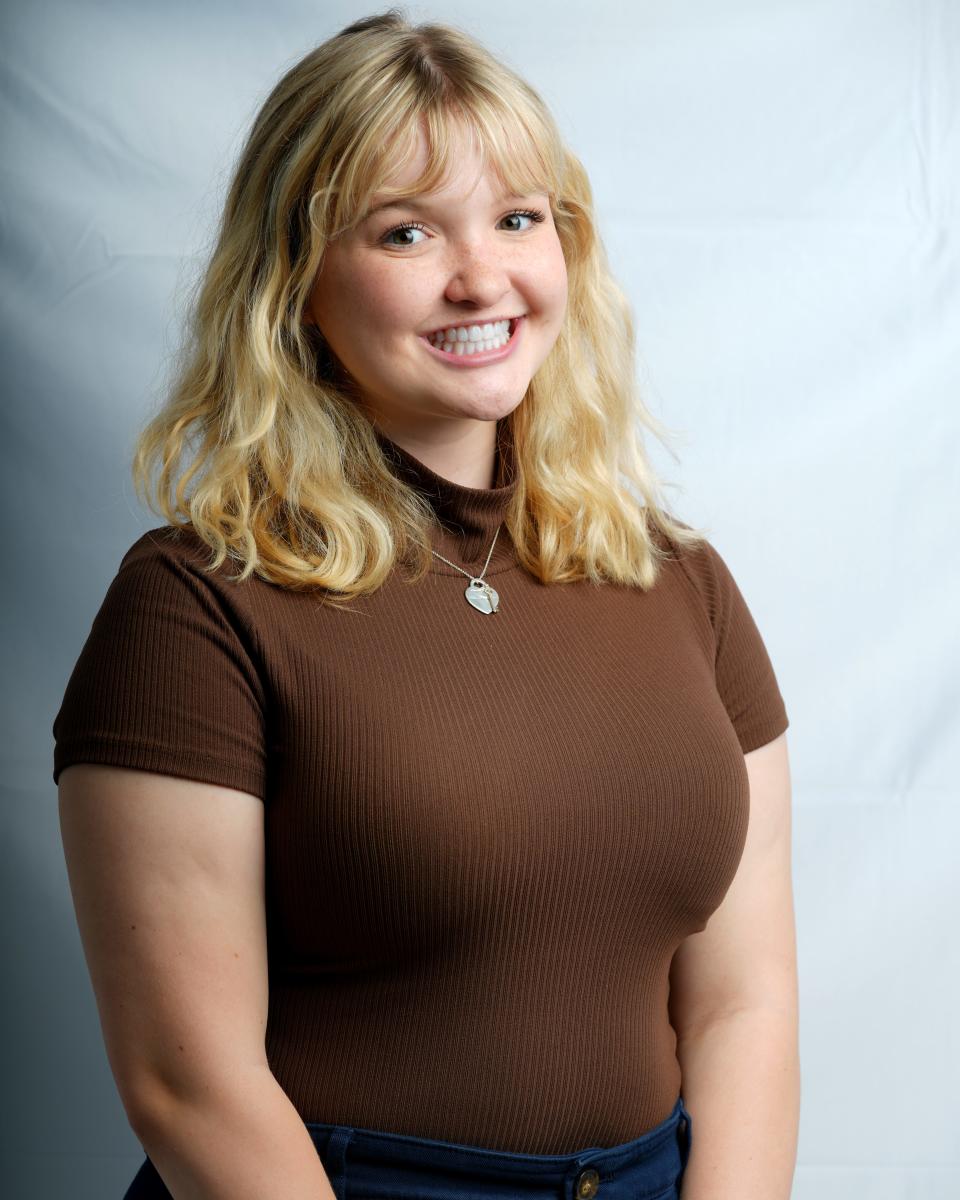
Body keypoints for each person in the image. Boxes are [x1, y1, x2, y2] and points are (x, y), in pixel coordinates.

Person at [53, 8, 799, 1199]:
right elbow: (184, 1082)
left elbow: (745, 1005)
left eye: (519, 218)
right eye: (406, 232)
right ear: (293, 283)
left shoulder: (679, 579)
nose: (483, 277)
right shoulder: (196, 606)